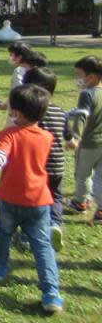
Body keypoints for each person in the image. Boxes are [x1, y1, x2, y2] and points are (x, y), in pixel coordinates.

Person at [0, 84, 63, 314]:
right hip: (40, 200)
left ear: (17, 113)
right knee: (42, 245)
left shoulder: (8, 134)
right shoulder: (46, 137)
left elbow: (0, 158)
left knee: (3, 233)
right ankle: (51, 291)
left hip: (10, 199)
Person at [23, 67, 70, 250]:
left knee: (33, 201)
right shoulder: (60, 111)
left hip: (37, 167)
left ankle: (29, 236)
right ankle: (55, 225)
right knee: (56, 196)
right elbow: (68, 134)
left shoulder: (34, 115)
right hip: (57, 165)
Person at [66, 55, 102, 222]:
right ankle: (101, 211)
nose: (77, 80)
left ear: (92, 77)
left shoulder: (87, 94)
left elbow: (82, 116)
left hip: (88, 144)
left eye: (79, 75)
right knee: (100, 178)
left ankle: (80, 202)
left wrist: (74, 137)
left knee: (83, 175)